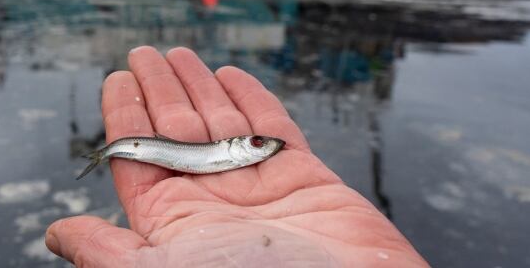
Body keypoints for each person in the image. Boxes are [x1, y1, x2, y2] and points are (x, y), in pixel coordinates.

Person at [46, 47, 429, 267]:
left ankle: (105, 153)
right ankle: (105, 153)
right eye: (259, 144)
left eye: (260, 144)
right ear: (240, 145)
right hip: (146, 148)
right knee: (123, 142)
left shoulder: (238, 155)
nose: (263, 146)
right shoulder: (230, 151)